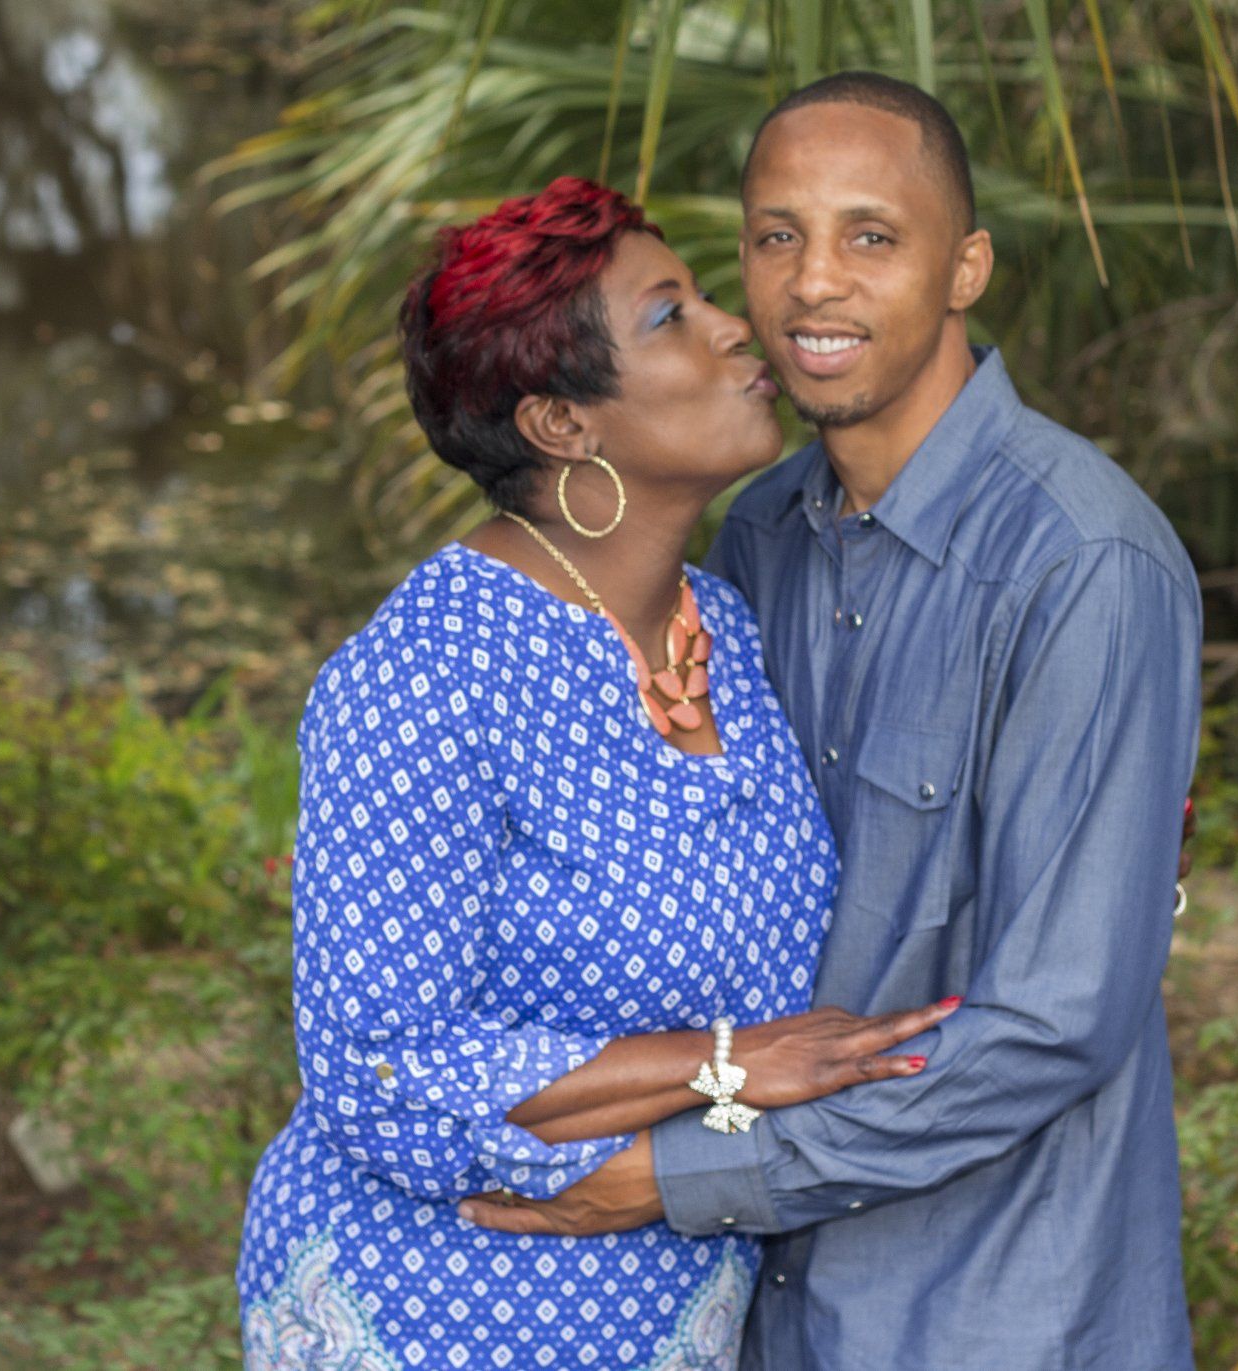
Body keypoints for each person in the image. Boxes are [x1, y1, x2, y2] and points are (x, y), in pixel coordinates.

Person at [461, 74, 1205, 1369]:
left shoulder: (1084, 562)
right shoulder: (754, 538)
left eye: (873, 235)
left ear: (965, 265)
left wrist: (681, 1170)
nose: (814, 283)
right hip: (764, 1308)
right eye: (775, 235)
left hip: (1000, 1304)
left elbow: (1059, 1014)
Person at [233, 176, 959, 1370]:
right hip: (443, 1307)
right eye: (670, 315)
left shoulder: (725, 621)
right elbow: (381, 1064)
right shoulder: (428, 674)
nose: (737, 325)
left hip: (676, 1302)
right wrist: (722, 1060)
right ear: (562, 425)